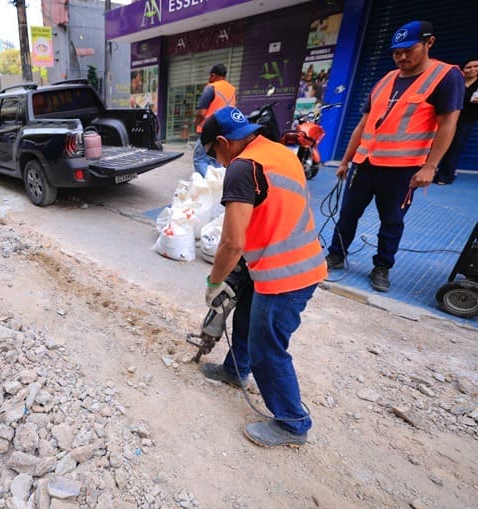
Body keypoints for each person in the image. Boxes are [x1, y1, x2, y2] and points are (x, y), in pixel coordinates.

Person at [199, 106, 327, 448]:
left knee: (267, 348)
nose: (218, 163)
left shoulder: (241, 168)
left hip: (286, 274)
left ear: (224, 142)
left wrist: (215, 283)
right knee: (244, 317)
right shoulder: (274, 150)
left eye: (215, 154)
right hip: (289, 259)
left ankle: (292, 423)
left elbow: (231, 241)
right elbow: (270, 210)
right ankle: (234, 370)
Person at [326, 21, 463, 292]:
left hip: (403, 168)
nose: (401, 57)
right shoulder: (386, 80)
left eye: (408, 50)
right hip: (364, 164)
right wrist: (345, 160)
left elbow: (448, 125)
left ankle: (382, 266)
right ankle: (336, 255)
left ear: (429, 43)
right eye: (396, 52)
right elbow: (363, 124)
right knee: (347, 215)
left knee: (391, 222)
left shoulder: (445, 77)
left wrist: (430, 167)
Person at [435, 58, 478, 184]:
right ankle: (432, 171)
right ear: (463, 70)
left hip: (466, 121)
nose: (473, 69)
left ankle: (446, 176)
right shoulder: (457, 82)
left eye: (476, 66)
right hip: (448, 118)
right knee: (438, 144)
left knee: (455, 147)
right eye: (469, 67)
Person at [193, 64, 237, 176]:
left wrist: (195, 123)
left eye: (209, 76)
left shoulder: (211, 88)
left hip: (208, 130)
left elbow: (201, 112)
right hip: (224, 130)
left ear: (213, 75)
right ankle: (217, 186)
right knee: (216, 160)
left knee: (200, 159)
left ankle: (207, 186)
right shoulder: (232, 90)